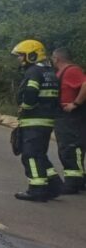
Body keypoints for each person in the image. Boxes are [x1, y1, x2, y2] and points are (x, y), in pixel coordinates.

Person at [11, 39, 63, 202]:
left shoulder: (33, 72)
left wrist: (24, 107)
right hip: (46, 119)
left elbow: (31, 94)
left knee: (30, 155)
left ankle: (37, 189)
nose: (19, 59)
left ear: (32, 55)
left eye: (21, 55)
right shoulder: (49, 71)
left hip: (34, 120)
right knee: (39, 154)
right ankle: (54, 185)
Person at [52, 47, 86, 194]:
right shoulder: (62, 72)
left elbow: (85, 84)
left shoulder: (72, 71)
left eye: (53, 58)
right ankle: (77, 180)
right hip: (63, 117)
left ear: (57, 58)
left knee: (72, 148)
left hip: (72, 117)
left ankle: (74, 183)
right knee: (66, 148)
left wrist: (75, 103)